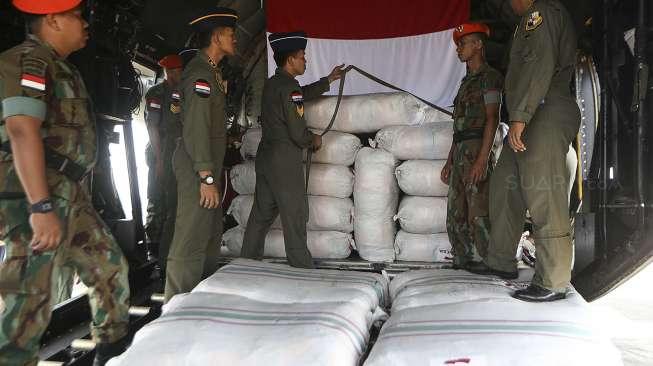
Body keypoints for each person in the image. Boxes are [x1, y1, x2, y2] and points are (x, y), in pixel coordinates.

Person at [0, 1, 131, 365]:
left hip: (69, 192)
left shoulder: (63, 69)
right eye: (76, 15)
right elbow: (21, 129)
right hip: (38, 193)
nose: (85, 22)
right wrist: (40, 207)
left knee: (108, 267)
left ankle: (114, 350)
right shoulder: (31, 62)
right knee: (29, 299)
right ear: (52, 19)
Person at [467, 0, 581, 302]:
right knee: (505, 187)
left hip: (543, 110)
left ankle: (553, 279)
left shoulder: (539, 15)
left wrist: (520, 116)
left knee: (545, 195)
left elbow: (537, 65)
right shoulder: (527, 21)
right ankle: (501, 260)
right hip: (529, 113)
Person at [240, 31, 345, 268]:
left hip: (266, 158)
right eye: (302, 56)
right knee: (295, 215)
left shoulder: (274, 84)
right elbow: (298, 133)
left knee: (261, 215)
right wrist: (313, 140)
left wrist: (328, 80)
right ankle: (302, 269)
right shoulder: (290, 88)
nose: (305, 60)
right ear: (290, 60)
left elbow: (298, 95)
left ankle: (244, 265)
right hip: (284, 163)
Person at [164, 7, 238, 302]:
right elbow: (195, 129)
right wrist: (206, 176)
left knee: (208, 236)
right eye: (231, 35)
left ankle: (198, 303)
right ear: (218, 37)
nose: (235, 40)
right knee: (190, 239)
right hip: (197, 167)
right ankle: (174, 307)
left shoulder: (212, 73)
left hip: (206, 166)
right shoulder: (199, 75)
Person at [442, 23, 503, 270]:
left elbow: (492, 117)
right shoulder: (466, 82)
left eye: (463, 43)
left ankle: (488, 259)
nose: (458, 49)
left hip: (478, 147)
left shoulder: (490, 78)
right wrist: (449, 160)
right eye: (458, 44)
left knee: (478, 209)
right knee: (456, 208)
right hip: (460, 150)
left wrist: (482, 159)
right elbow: (459, 128)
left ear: (478, 45)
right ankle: (462, 258)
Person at [143, 54, 183, 283]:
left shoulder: (182, 91)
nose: (177, 74)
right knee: (157, 197)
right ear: (166, 72)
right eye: (174, 71)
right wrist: (159, 159)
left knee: (172, 201)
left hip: (174, 150)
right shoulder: (156, 94)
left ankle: (167, 251)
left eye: (180, 70)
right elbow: (153, 127)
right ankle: (154, 251)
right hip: (161, 150)